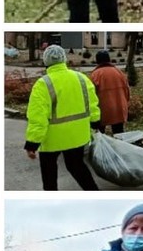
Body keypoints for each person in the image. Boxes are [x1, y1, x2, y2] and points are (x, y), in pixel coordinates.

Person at [25, 45, 100, 190]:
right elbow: (93, 104)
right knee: (77, 168)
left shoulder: (43, 84)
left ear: (45, 61)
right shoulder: (81, 78)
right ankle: (94, 191)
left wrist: (32, 143)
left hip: (52, 140)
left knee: (49, 175)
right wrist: (95, 123)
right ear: (64, 59)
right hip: (78, 136)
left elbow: (37, 117)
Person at [89, 50, 130, 135]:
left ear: (97, 61)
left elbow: (92, 95)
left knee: (100, 136)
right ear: (109, 59)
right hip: (119, 108)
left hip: (103, 110)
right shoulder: (119, 72)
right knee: (119, 133)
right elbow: (127, 91)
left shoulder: (95, 75)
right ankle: (119, 147)